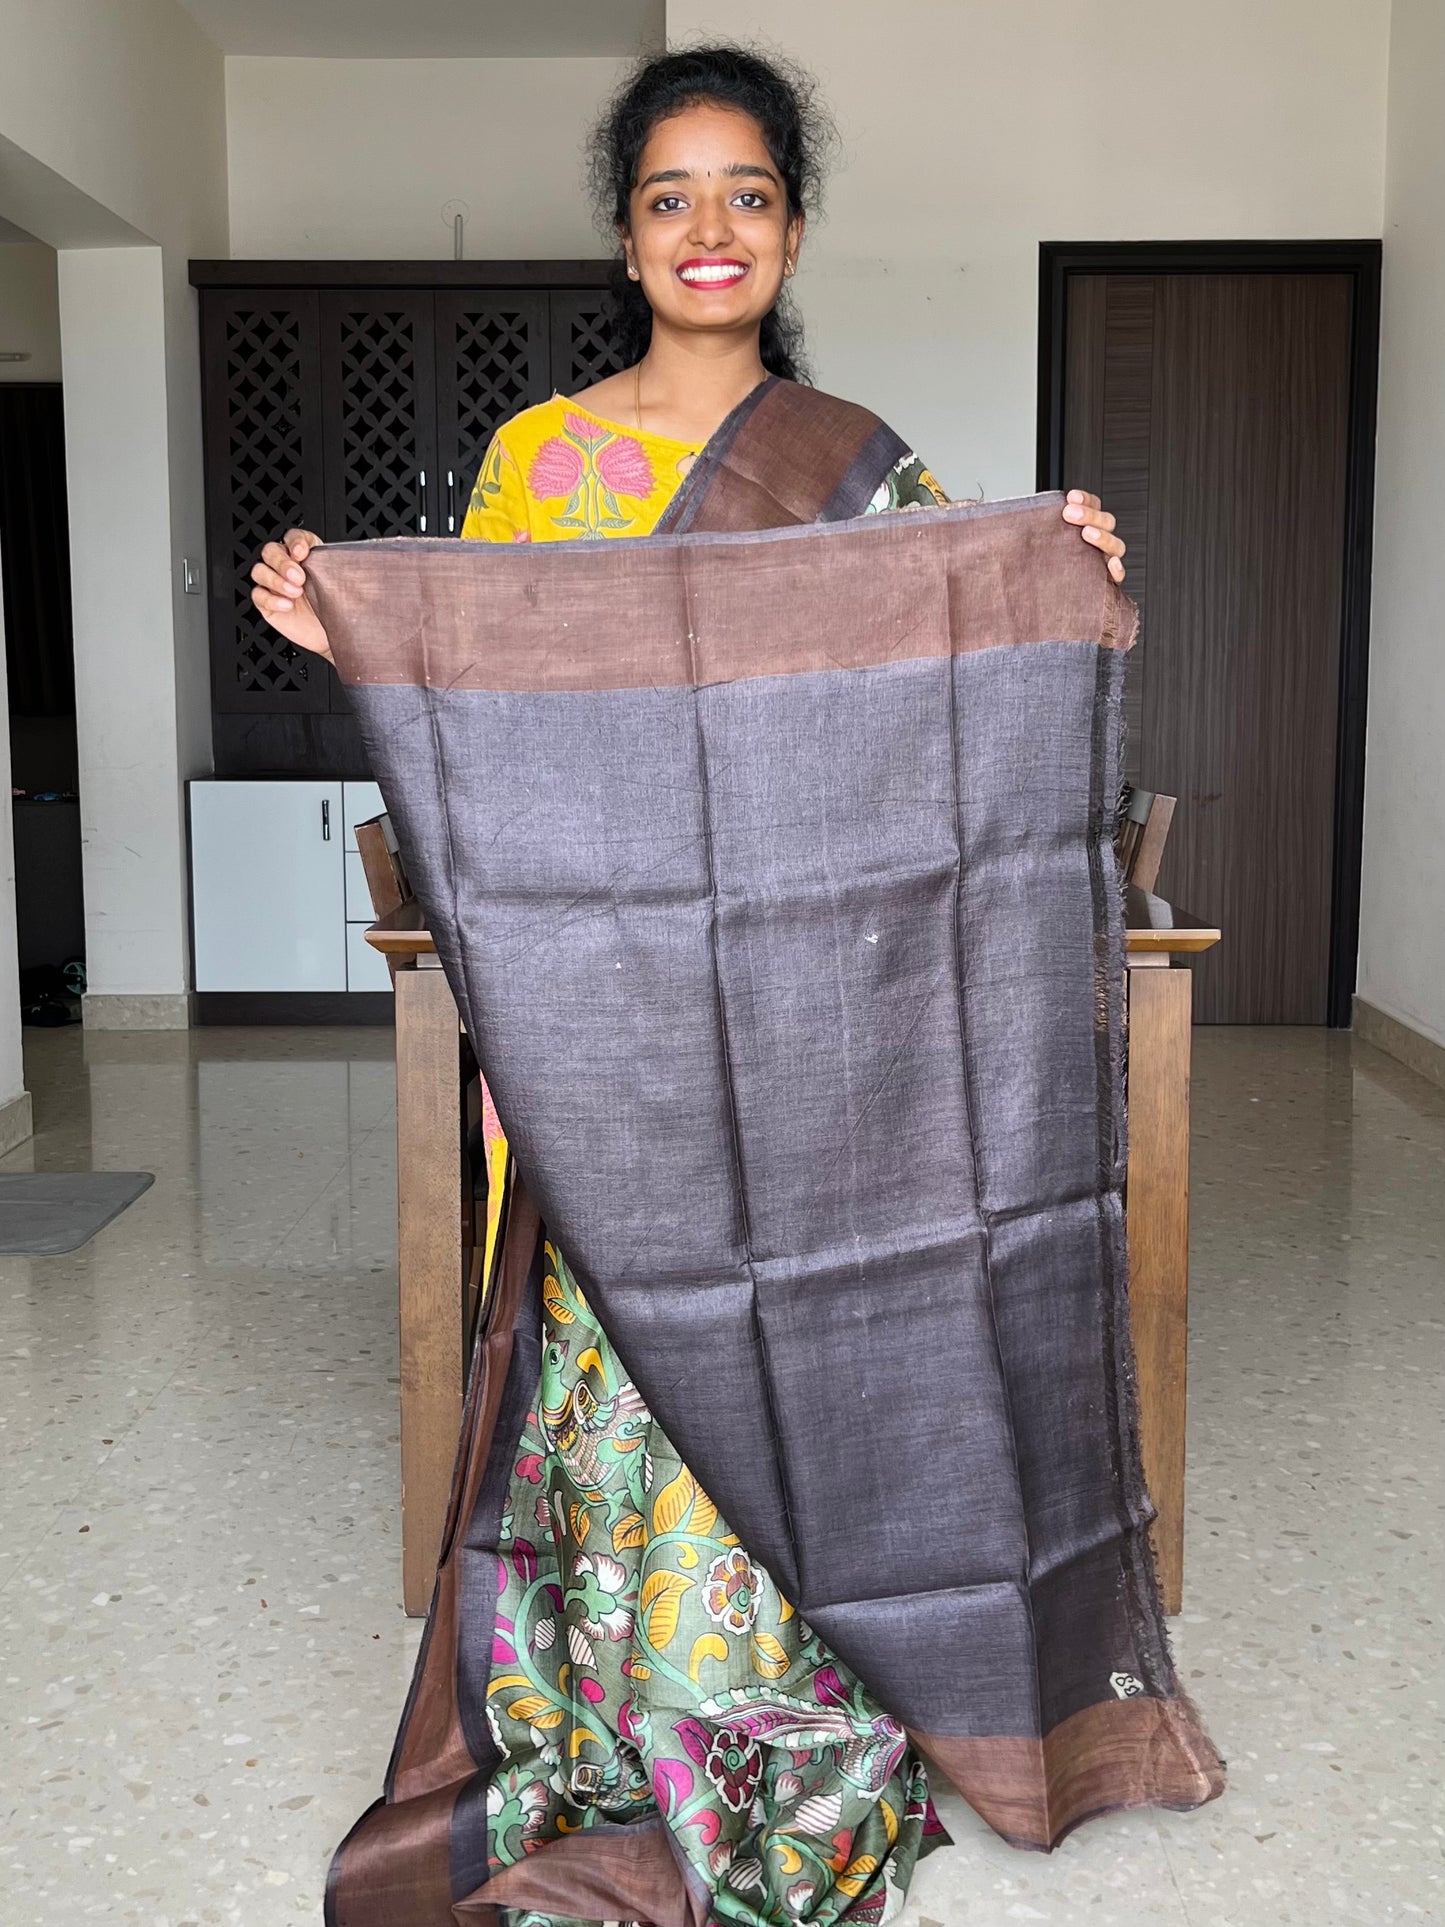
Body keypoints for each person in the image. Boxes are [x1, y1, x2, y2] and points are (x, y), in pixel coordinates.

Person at [253, 47, 1131, 1927]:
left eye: (745, 193)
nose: (708, 228)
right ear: (626, 234)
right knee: (620, 1368)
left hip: (807, 1033)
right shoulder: (536, 464)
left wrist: (1050, 576)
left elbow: (938, 696)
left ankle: (787, 1733)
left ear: (791, 226)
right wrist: (354, 623)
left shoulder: (864, 467)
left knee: (789, 1356)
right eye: (669, 196)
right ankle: (610, 1723)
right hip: (608, 1028)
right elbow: (488, 732)